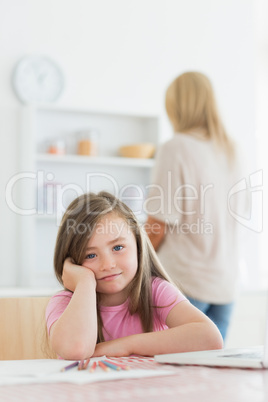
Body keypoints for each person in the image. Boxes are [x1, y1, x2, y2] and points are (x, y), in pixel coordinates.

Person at [46, 191, 223, 360]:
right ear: (73, 262)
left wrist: (125, 346)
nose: (108, 265)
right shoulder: (64, 303)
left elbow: (210, 338)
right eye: (90, 255)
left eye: (117, 248)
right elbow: (76, 349)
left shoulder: (155, 291)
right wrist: (84, 282)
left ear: (138, 245)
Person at [145, 71, 245, 341]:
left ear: (176, 107)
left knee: (165, 375)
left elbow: (156, 226)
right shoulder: (232, 151)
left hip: (184, 284)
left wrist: (133, 263)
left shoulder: (176, 148)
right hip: (225, 286)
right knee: (207, 376)